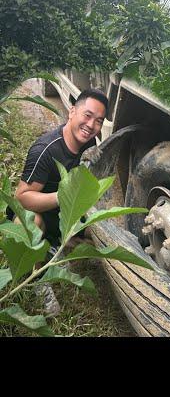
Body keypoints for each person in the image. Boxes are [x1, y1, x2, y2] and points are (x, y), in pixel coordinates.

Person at [12, 88, 108, 316]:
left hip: (61, 211)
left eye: (99, 121)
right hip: (39, 209)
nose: (91, 125)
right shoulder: (45, 150)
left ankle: (56, 245)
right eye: (87, 115)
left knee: (94, 234)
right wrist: (63, 195)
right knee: (28, 224)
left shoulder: (87, 140)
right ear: (72, 111)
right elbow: (22, 197)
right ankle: (38, 283)